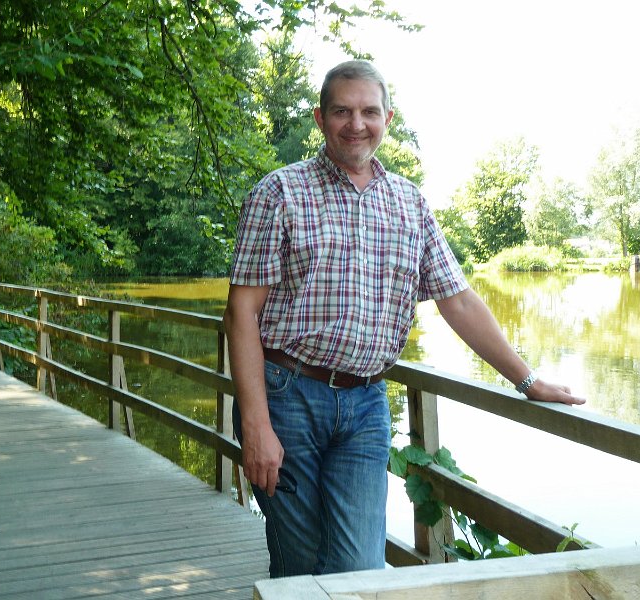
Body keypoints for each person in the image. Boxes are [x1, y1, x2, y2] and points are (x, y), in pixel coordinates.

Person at [223, 59, 586, 578]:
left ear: (387, 119)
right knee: (299, 564)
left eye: (369, 111)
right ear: (320, 118)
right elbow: (241, 312)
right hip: (286, 396)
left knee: (360, 567)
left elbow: (458, 301)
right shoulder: (280, 192)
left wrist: (527, 380)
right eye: (342, 111)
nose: (356, 124)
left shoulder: (410, 204)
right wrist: (256, 424)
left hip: (366, 403)